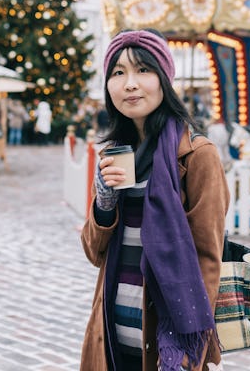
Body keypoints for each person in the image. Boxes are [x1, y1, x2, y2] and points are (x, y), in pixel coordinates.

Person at [80, 29, 230, 371]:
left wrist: (188, 354)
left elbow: (208, 257)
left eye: (142, 70)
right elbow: (93, 252)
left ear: (164, 78)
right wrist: (105, 200)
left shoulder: (196, 155)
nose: (130, 83)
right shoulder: (115, 154)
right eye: (118, 73)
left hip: (167, 344)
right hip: (111, 335)